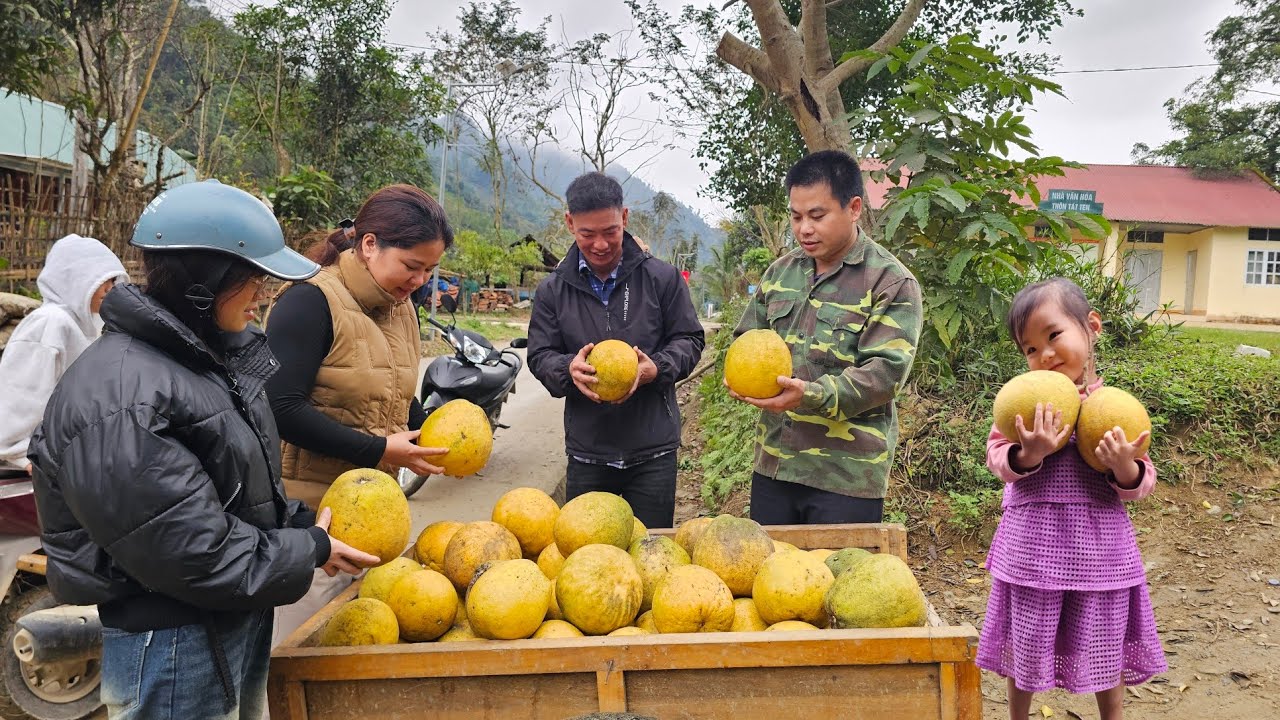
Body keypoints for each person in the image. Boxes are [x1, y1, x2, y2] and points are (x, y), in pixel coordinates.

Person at [28, 179, 378, 719]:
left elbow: (237, 483)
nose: (263, 293)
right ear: (205, 285)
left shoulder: (206, 362)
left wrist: (304, 529)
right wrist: (305, 549)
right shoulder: (122, 395)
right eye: (253, 279)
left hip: (227, 617)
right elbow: (193, 552)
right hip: (173, 644)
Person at [263, 184, 452, 644]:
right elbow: (278, 408)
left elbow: (392, 392)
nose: (420, 280)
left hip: (372, 521)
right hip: (311, 526)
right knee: (296, 661)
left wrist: (430, 431)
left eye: (430, 270)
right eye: (412, 266)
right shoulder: (310, 302)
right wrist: (377, 448)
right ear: (369, 245)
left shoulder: (401, 308)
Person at [978, 277, 1166, 720]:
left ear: (1091, 327)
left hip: (1100, 552)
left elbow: (1144, 479)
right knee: (1026, 638)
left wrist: (1124, 466)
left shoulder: (1114, 407)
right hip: (1033, 552)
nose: (1044, 354)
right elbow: (997, 456)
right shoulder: (1026, 405)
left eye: (1054, 335)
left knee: (1105, 640)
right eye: (1029, 348)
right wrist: (1029, 453)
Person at [730, 150, 922, 525]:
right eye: (796, 216)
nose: (804, 228)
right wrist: (738, 372)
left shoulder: (890, 281)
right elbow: (747, 339)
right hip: (774, 466)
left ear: (853, 208)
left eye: (817, 216)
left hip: (845, 478)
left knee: (839, 580)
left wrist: (811, 394)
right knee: (769, 578)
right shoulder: (779, 273)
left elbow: (885, 375)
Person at [527, 172, 704, 529]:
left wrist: (656, 367)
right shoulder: (553, 289)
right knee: (585, 555)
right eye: (587, 234)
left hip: (653, 451)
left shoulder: (662, 278)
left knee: (652, 553)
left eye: (610, 231)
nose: (601, 245)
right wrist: (567, 369)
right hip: (588, 454)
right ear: (569, 223)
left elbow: (690, 339)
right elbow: (539, 354)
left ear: (624, 217)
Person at [0, 234, 127, 474]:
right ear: (75, 280)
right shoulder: (51, 322)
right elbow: (23, 393)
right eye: (101, 279)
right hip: (35, 456)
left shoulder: (94, 325)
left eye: (113, 278)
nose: (110, 287)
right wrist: (22, 453)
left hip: (68, 447)